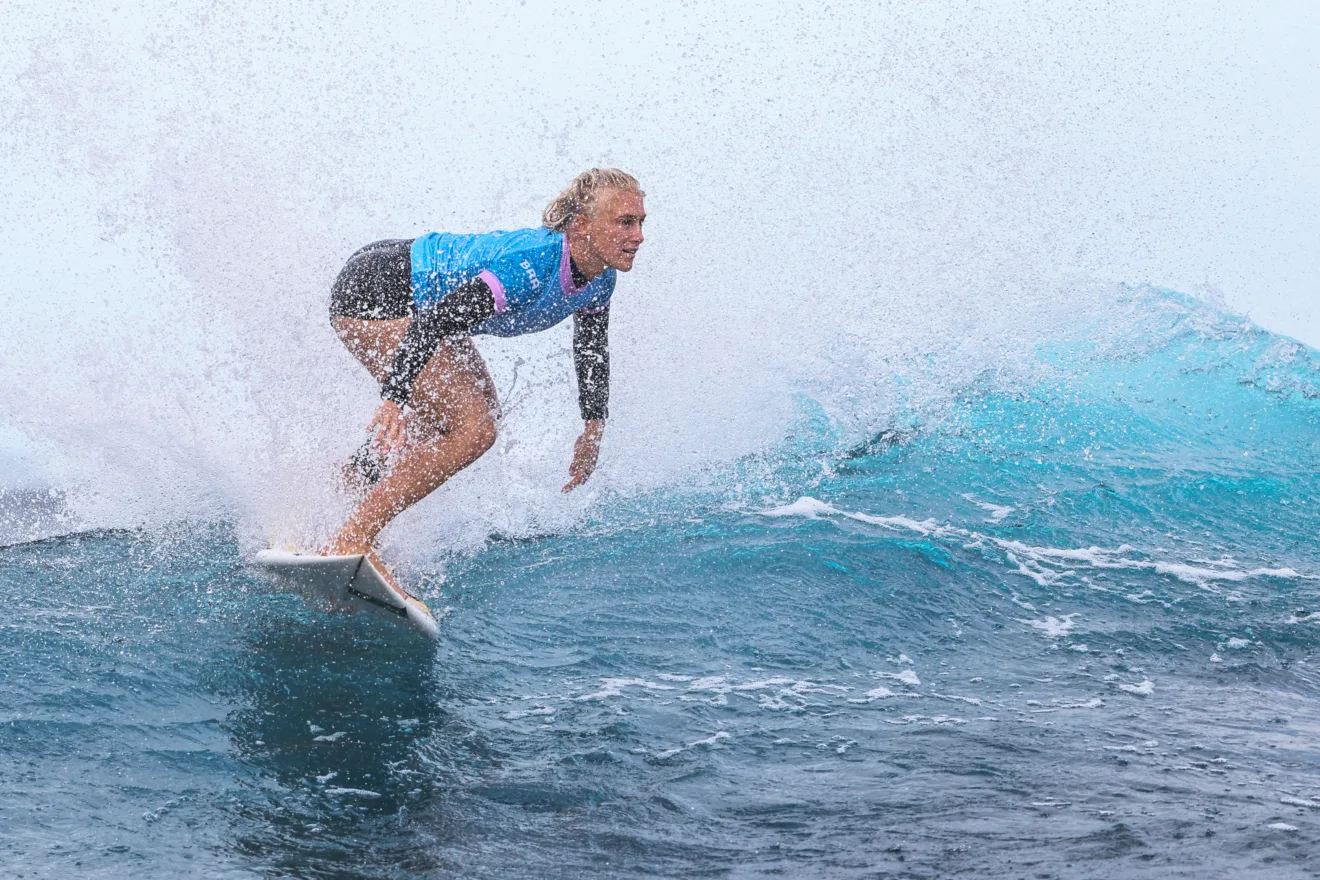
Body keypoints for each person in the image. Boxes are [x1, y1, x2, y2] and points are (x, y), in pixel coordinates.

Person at [321, 169, 645, 583]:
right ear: (581, 225)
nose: (638, 236)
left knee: (479, 414)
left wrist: (593, 428)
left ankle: (354, 480)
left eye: (639, 222)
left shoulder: (601, 278)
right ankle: (352, 539)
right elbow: (433, 323)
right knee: (472, 430)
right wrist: (394, 398)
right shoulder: (531, 265)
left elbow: (591, 348)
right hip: (379, 290)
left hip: (422, 302)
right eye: (624, 222)